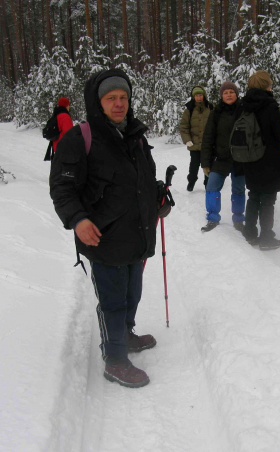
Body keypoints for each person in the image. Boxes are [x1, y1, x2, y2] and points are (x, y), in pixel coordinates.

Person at [49, 68, 171, 388]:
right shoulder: (81, 138)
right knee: (113, 299)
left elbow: (141, 179)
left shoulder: (135, 135)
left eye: (123, 97)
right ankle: (114, 358)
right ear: (98, 102)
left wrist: (159, 194)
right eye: (111, 98)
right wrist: (78, 219)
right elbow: (63, 189)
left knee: (133, 292)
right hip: (103, 236)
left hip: (137, 232)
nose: (119, 104)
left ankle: (126, 335)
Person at [239, 70, 280, 250]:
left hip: (250, 159)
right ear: (266, 85)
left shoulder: (244, 105)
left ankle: (250, 233)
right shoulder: (269, 105)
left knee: (253, 196)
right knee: (268, 200)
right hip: (269, 160)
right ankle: (266, 238)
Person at [200, 81, 245, 232]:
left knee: (238, 189)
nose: (229, 95)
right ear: (221, 96)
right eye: (225, 93)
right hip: (221, 158)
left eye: (231, 92)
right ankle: (212, 218)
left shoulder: (244, 110)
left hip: (240, 159)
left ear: (236, 94)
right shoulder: (216, 113)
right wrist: (205, 162)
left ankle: (238, 219)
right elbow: (208, 138)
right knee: (212, 187)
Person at [179, 85, 213, 191]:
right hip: (194, 144)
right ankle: (191, 182)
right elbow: (184, 126)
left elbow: (215, 125)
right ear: (193, 97)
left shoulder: (210, 108)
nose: (198, 97)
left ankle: (208, 184)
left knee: (208, 165)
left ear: (204, 96)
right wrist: (187, 140)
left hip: (208, 144)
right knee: (194, 166)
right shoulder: (189, 110)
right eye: (196, 96)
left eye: (200, 95)